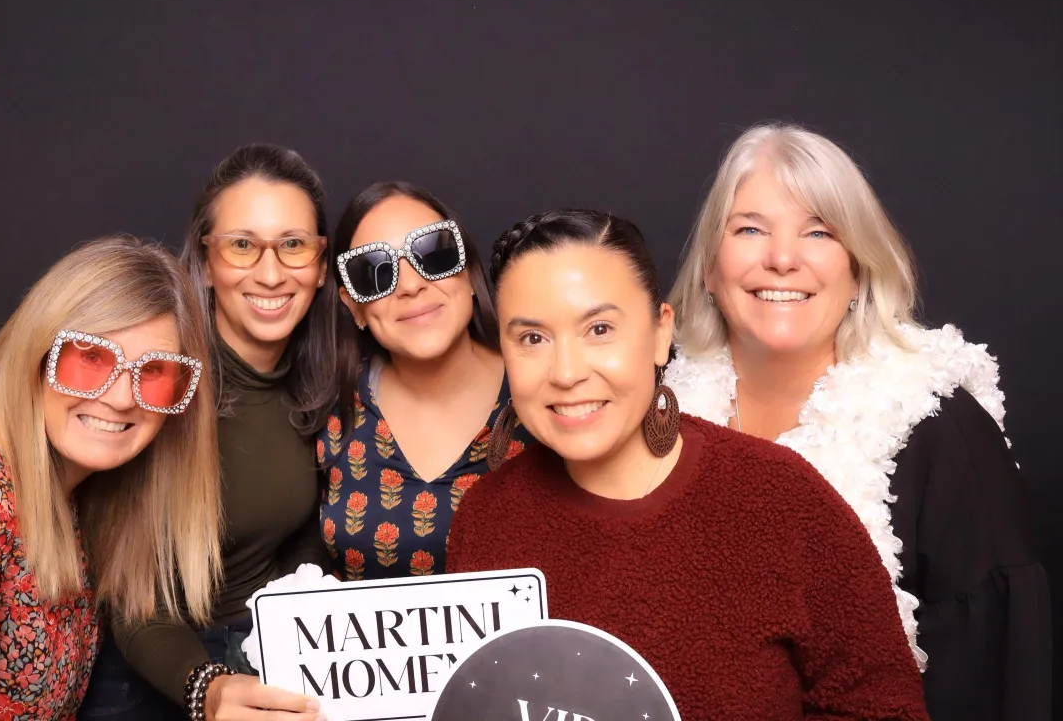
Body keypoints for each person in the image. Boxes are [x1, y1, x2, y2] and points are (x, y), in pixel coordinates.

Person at [448, 209, 930, 720]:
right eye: (532, 339)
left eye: (600, 329)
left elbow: (884, 708)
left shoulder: (780, 498)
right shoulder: (487, 519)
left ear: (661, 333)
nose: (566, 373)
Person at [663, 124, 1050, 720]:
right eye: (750, 229)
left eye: (819, 231)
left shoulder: (942, 430)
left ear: (860, 269)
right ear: (710, 268)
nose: (782, 259)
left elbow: (992, 677)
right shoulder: (656, 416)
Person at [0, 235, 221, 720]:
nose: (121, 398)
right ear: (39, 354)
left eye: (154, 372)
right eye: (90, 357)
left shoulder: (56, 475)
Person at [79, 145, 336, 720]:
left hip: (267, 650)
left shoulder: (319, 380)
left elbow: (301, 531)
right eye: (242, 245)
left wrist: (307, 606)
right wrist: (208, 688)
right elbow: (132, 595)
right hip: (157, 671)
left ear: (321, 266)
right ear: (205, 260)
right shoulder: (159, 381)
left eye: (293, 245)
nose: (270, 273)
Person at [318, 182, 534, 582]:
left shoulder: (542, 385)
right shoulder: (329, 410)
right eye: (375, 272)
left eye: (433, 253)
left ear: (468, 271)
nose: (411, 285)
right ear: (354, 307)